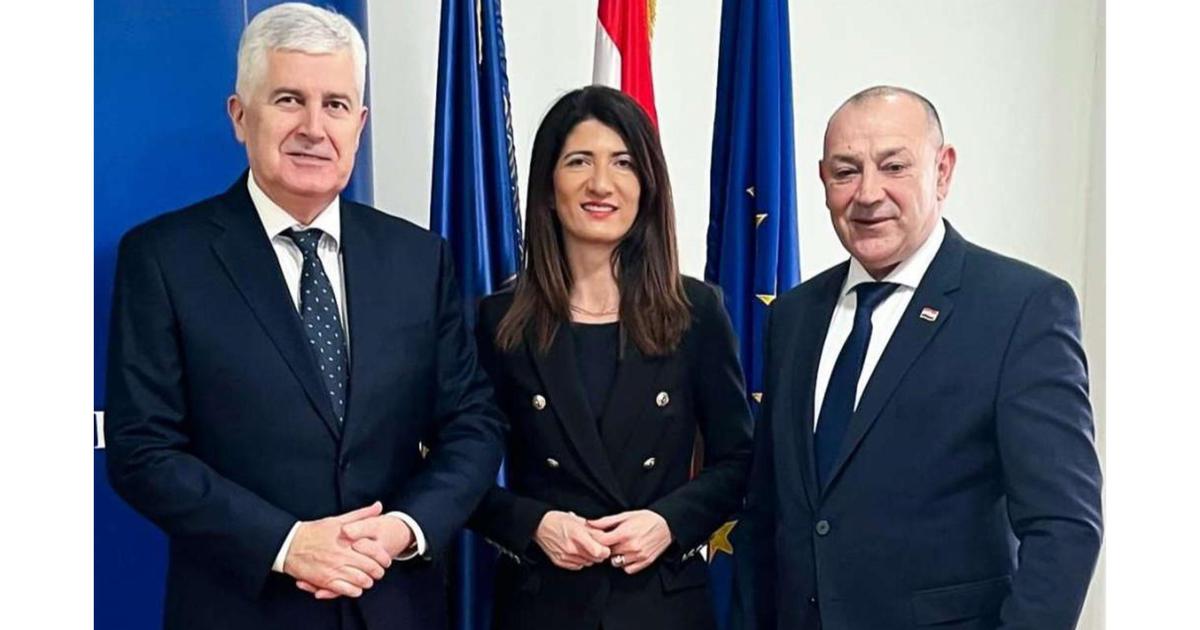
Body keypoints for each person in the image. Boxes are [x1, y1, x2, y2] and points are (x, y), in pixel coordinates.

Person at [103, 4, 505, 629]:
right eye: (289, 100)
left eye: (335, 105)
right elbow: (142, 449)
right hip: (242, 611)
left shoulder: (418, 257)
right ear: (241, 115)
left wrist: (404, 528)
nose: (314, 128)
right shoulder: (163, 258)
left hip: (394, 601)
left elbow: (472, 423)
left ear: (360, 124)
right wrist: (287, 544)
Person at [734, 86, 1103, 629]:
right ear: (822, 181)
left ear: (942, 171)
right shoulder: (793, 315)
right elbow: (770, 512)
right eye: (846, 171)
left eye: (894, 166)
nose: (868, 194)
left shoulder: (1021, 308)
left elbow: (1065, 527)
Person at [468, 85, 754, 630]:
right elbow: (460, 470)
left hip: (662, 603)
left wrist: (667, 523)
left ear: (647, 185)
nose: (601, 183)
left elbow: (739, 461)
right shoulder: (500, 319)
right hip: (544, 605)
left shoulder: (695, 311)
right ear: (549, 186)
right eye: (579, 161)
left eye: (622, 163)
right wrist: (534, 524)